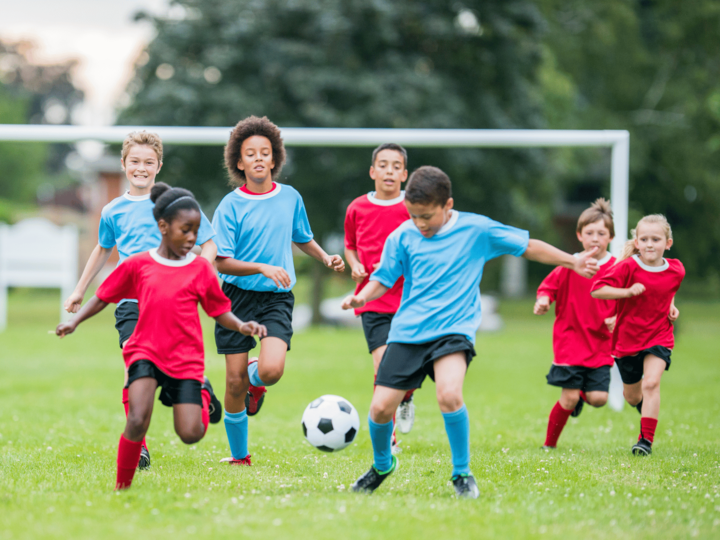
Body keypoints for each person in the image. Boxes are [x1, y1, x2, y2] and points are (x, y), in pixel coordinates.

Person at [341, 166, 599, 498]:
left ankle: (461, 473)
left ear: (447, 205)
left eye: (427, 216)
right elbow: (384, 278)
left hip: (453, 329)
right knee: (379, 409)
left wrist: (572, 261)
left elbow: (528, 245)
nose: (420, 223)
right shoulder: (402, 236)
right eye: (413, 215)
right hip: (408, 332)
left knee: (449, 394)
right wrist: (362, 295)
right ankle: (381, 466)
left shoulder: (476, 229)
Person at [56, 185, 266, 490]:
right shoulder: (138, 264)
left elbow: (219, 311)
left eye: (195, 231)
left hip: (185, 360)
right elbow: (103, 297)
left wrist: (242, 326)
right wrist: (74, 322)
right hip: (145, 352)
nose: (193, 238)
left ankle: (203, 392)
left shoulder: (199, 270)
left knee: (190, 434)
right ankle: (121, 489)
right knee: (138, 418)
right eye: (186, 230)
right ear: (163, 228)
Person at [63, 131, 218, 470]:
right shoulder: (112, 210)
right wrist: (79, 290)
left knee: (175, 368)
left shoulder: (175, 204)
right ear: (123, 164)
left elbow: (209, 243)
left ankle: (199, 388)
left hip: (173, 303)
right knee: (134, 369)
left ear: (159, 166)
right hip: (131, 304)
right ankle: (140, 445)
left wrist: (198, 272)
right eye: (135, 161)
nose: (141, 168)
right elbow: (103, 249)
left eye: (149, 162)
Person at [212, 116, 345, 466]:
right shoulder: (230, 206)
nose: (258, 158)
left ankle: (258, 378)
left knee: (270, 371)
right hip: (235, 299)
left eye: (265, 152)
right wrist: (260, 266)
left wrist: (325, 256)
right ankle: (240, 456)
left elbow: (302, 236)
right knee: (233, 382)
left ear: (274, 159)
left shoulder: (290, 198)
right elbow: (221, 262)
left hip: (275, 299)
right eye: (250, 153)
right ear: (239, 162)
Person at [591, 214, 683, 456]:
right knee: (632, 397)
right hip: (627, 340)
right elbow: (597, 290)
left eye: (656, 238)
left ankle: (645, 441)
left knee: (652, 383)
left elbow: (668, 287)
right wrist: (627, 291)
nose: (650, 244)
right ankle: (646, 412)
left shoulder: (677, 269)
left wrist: (671, 305)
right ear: (637, 242)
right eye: (644, 239)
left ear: (668, 243)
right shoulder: (628, 267)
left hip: (659, 336)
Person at [344, 143, 416, 444]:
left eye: (396, 166)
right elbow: (349, 245)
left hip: (409, 299)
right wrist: (355, 264)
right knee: (383, 364)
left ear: (404, 174)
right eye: (383, 165)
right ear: (373, 171)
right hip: (371, 299)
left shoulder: (412, 208)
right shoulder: (357, 208)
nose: (389, 170)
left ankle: (406, 396)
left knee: (407, 366)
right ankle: (389, 435)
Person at [533, 198, 617, 449]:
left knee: (600, 399)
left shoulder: (618, 269)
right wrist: (544, 301)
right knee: (567, 400)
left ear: (610, 237)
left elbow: (629, 299)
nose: (595, 238)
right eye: (589, 233)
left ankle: (582, 394)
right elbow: (547, 288)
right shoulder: (570, 264)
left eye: (601, 233)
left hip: (601, 344)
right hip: (570, 341)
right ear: (579, 236)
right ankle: (549, 445)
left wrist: (618, 317)